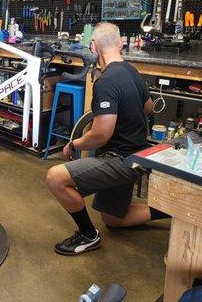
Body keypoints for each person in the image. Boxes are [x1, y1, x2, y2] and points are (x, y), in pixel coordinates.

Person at [46, 22, 169, 256]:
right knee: (113, 220)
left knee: (55, 178)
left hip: (120, 160)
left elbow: (101, 135)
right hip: (138, 156)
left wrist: (74, 144)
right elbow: (150, 108)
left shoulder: (107, 80)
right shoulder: (132, 72)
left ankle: (88, 236)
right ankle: (172, 210)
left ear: (94, 46)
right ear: (120, 44)